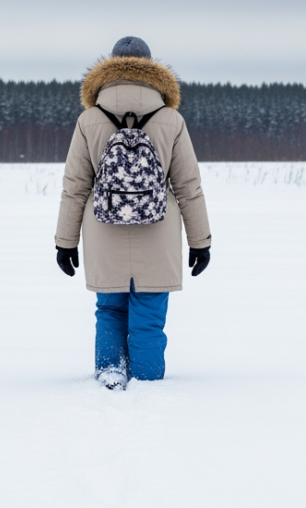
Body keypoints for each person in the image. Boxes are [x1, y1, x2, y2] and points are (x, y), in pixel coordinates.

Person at [54, 36, 212, 390]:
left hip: (103, 230)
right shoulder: (171, 119)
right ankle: (148, 380)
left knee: (110, 309)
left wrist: (65, 242)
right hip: (158, 233)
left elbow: (75, 186)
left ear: (109, 69)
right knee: (149, 317)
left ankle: (111, 372)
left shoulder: (90, 119)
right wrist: (200, 241)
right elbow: (188, 185)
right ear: (152, 69)